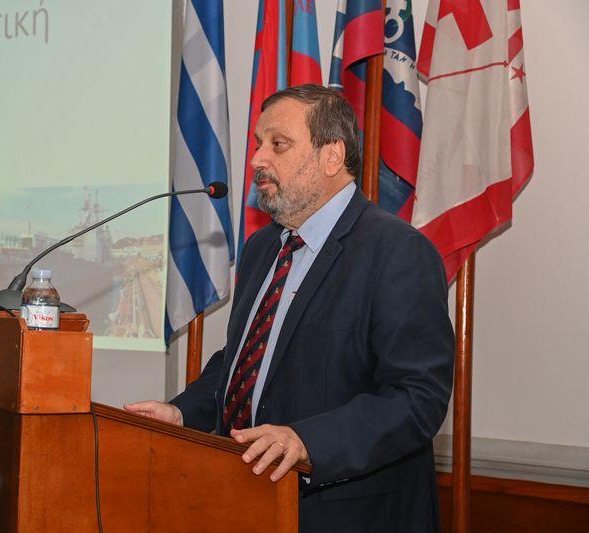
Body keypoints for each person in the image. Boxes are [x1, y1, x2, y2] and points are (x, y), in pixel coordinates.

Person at [125, 84, 454, 532]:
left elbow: (417, 397)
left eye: (277, 144)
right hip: (247, 499)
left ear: (332, 157)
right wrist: (182, 413)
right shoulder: (263, 248)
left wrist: (308, 441)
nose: (257, 159)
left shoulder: (397, 252)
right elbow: (243, 363)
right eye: (259, 143)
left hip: (348, 513)